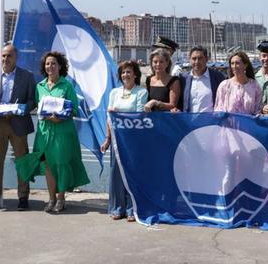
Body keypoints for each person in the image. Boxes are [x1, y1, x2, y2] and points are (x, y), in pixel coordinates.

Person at [16, 52, 89, 214]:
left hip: (63, 131)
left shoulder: (67, 86)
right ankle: (51, 198)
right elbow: (36, 106)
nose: (50, 66)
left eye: (54, 63)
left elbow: (75, 109)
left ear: (60, 66)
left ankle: (61, 198)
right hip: (44, 133)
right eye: (47, 64)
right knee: (47, 165)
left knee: (61, 164)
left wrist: (61, 117)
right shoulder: (39, 86)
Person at [0, 44, 37, 212]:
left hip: (18, 123)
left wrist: (22, 109)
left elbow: (32, 100)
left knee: (22, 162)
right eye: (3, 56)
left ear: (16, 58)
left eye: (9, 56)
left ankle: (23, 197)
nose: (5, 59)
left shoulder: (27, 76)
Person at [100, 60, 148, 221]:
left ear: (135, 74)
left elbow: (139, 115)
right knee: (116, 174)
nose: (125, 75)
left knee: (131, 173)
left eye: (129, 72)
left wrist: (118, 111)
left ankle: (131, 208)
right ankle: (117, 207)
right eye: (123, 72)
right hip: (116, 140)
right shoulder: (114, 92)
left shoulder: (141, 92)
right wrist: (107, 139)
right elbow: (109, 118)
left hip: (133, 140)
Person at [181, 46, 225, 112]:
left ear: (206, 59)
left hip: (211, 121)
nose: (197, 62)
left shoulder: (218, 77)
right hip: (188, 121)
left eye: (200, 58)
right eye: (194, 58)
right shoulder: (183, 79)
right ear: (189, 59)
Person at [144, 48, 181, 112]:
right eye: (155, 62)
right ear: (151, 63)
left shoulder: (174, 81)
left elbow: (173, 105)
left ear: (167, 63)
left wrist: (155, 102)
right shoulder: (148, 79)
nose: (158, 64)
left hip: (166, 119)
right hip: (151, 119)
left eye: (161, 62)